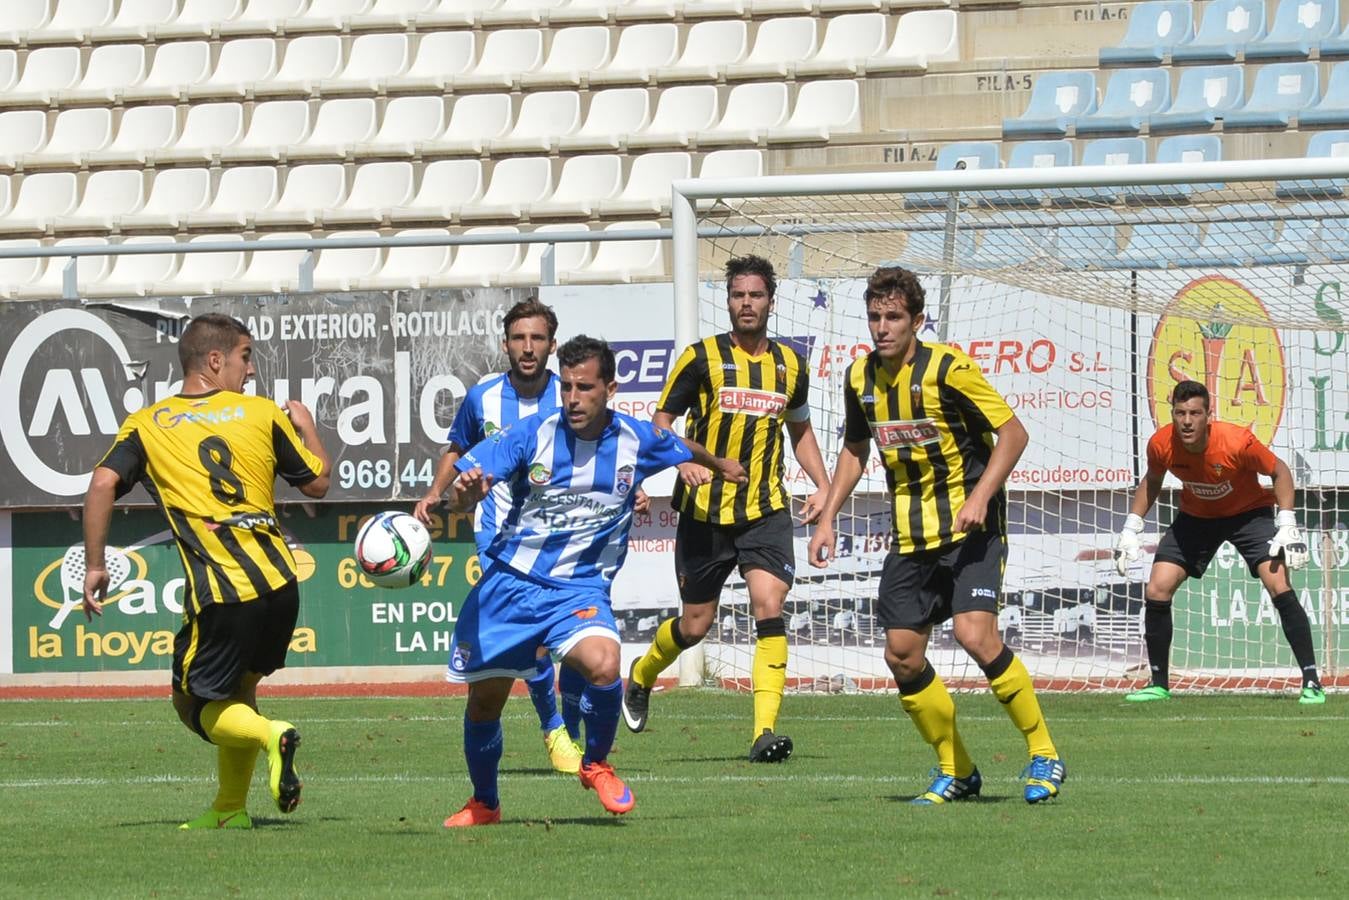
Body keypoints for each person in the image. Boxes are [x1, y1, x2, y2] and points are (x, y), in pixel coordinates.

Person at [440, 336, 746, 826]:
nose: (573, 398)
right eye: (566, 387)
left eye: (585, 387)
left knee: (606, 664)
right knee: (485, 703)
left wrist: (718, 465)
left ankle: (597, 763)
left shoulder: (635, 438)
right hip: (511, 583)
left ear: (610, 388)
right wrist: (464, 497)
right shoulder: (531, 434)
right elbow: (461, 489)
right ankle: (485, 802)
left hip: (578, 591)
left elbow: (679, 444)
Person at [807, 266, 1065, 805]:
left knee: (976, 636)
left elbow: (1014, 434)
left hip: (971, 529)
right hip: (911, 536)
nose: (882, 327)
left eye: (894, 317)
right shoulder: (859, 380)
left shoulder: (949, 370)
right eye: (875, 316)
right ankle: (958, 770)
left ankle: (1044, 753)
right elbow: (855, 451)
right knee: (901, 654)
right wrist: (829, 514)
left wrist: (978, 497)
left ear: (917, 321)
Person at [81, 313, 331, 830]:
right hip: (280, 585)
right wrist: (307, 426)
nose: (251, 370)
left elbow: (103, 484)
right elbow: (318, 483)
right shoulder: (262, 414)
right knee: (239, 691)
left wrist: (98, 563)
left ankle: (269, 735)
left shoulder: (149, 424)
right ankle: (228, 809)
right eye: (246, 356)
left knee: (189, 703)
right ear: (214, 360)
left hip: (222, 590)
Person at [621, 254, 831, 764]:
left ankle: (763, 732)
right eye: (738, 295)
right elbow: (661, 424)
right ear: (728, 301)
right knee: (694, 627)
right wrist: (685, 463)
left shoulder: (790, 365)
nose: (746, 304)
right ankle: (643, 675)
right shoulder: (701, 359)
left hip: (765, 510)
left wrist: (824, 485)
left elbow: (799, 430)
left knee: (769, 604)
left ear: (771, 302)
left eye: (755, 295)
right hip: (704, 514)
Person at [414, 298, 592, 775]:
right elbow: (458, 449)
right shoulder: (483, 397)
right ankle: (555, 729)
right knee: (529, 638)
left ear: (553, 345)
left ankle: (566, 722)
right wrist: (435, 493)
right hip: (499, 536)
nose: (527, 348)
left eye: (537, 338)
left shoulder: (570, 397)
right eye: (519, 338)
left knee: (574, 644)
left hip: (561, 536)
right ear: (505, 344)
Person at [1114, 379, 1322, 704]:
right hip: (1196, 517)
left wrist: (1286, 522)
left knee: (1278, 583)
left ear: (1207, 415)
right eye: (1180, 413)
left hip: (1249, 515)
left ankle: (1312, 682)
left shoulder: (1237, 441)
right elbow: (1152, 480)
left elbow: (1279, 472)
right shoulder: (1160, 444)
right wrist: (1130, 528)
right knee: (1157, 588)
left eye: (1194, 413)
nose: (1186, 421)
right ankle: (1158, 684)